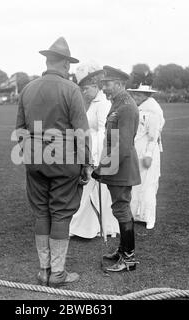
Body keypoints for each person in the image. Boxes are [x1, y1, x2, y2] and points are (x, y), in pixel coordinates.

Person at [16, 37, 93, 287]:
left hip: (34, 159)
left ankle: (44, 270)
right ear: (64, 64)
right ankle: (58, 273)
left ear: (47, 61)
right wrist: (86, 164)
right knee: (60, 213)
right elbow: (81, 133)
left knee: (41, 212)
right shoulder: (71, 90)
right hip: (64, 160)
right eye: (68, 63)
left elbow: (19, 130)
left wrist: (29, 154)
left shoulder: (27, 88)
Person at [92, 66, 141, 272]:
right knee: (120, 208)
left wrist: (104, 169)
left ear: (120, 84)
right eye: (102, 84)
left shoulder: (126, 107)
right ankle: (123, 250)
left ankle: (129, 258)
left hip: (121, 167)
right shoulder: (118, 104)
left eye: (108, 84)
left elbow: (123, 146)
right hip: (116, 166)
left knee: (121, 209)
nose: (103, 89)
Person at [69, 62, 119, 239]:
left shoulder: (103, 103)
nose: (84, 92)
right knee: (87, 192)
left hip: (98, 154)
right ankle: (86, 227)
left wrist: (94, 159)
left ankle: (90, 227)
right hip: (91, 150)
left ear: (95, 86)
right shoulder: (94, 102)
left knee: (92, 192)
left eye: (86, 88)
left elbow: (104, 132)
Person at [128, 84, 165, 229]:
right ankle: (137, 214)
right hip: (137, 149)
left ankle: (149, 217)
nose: (135, 97)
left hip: (147, 152)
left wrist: (149, 154)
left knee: (148, 184)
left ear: (145, 95)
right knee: (136, 183)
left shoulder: (153, 110)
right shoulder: (140, 108)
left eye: (138, 95)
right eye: (134, 94)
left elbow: (153, 136)